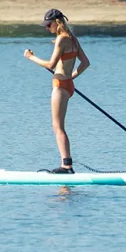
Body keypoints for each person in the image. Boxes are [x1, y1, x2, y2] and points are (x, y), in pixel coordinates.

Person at [23, 9, 89, 174]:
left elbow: (51, 65)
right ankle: (67, 164)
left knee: (58, 127)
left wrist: (31, 57)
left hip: (60, 85)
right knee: (59, 126)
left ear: (57, 22)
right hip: (68, 85)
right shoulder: (73, 39)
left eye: (48, 25)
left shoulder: (61, 39)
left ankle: (66, 166)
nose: (47, 28)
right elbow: (85, 63)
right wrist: (72, 77)